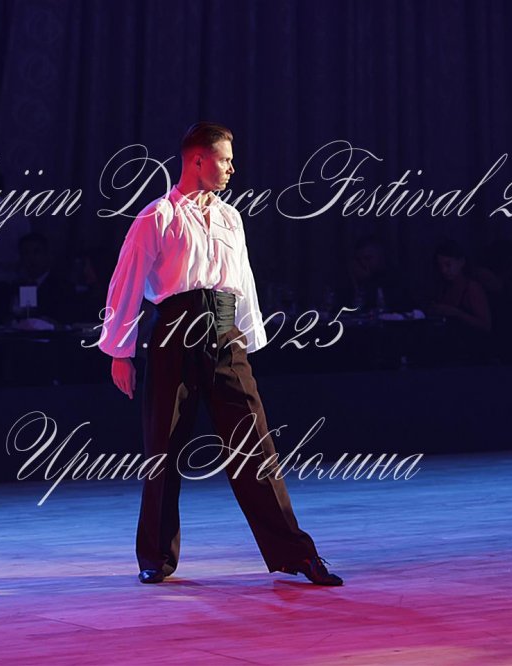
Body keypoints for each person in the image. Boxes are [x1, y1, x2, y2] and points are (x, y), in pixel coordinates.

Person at [98, 122, 342, 586]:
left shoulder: (231, 217)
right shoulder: (157, 216)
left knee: (255, 446)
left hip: (225, 335)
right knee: (164, 447)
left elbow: (242, 280)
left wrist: (248, 341)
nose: (232, 168)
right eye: (225, 159)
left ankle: (296, 554)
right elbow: (125, 281)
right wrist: (119, 352)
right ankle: (156, 556)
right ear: (198, 160)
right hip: (174, 334)